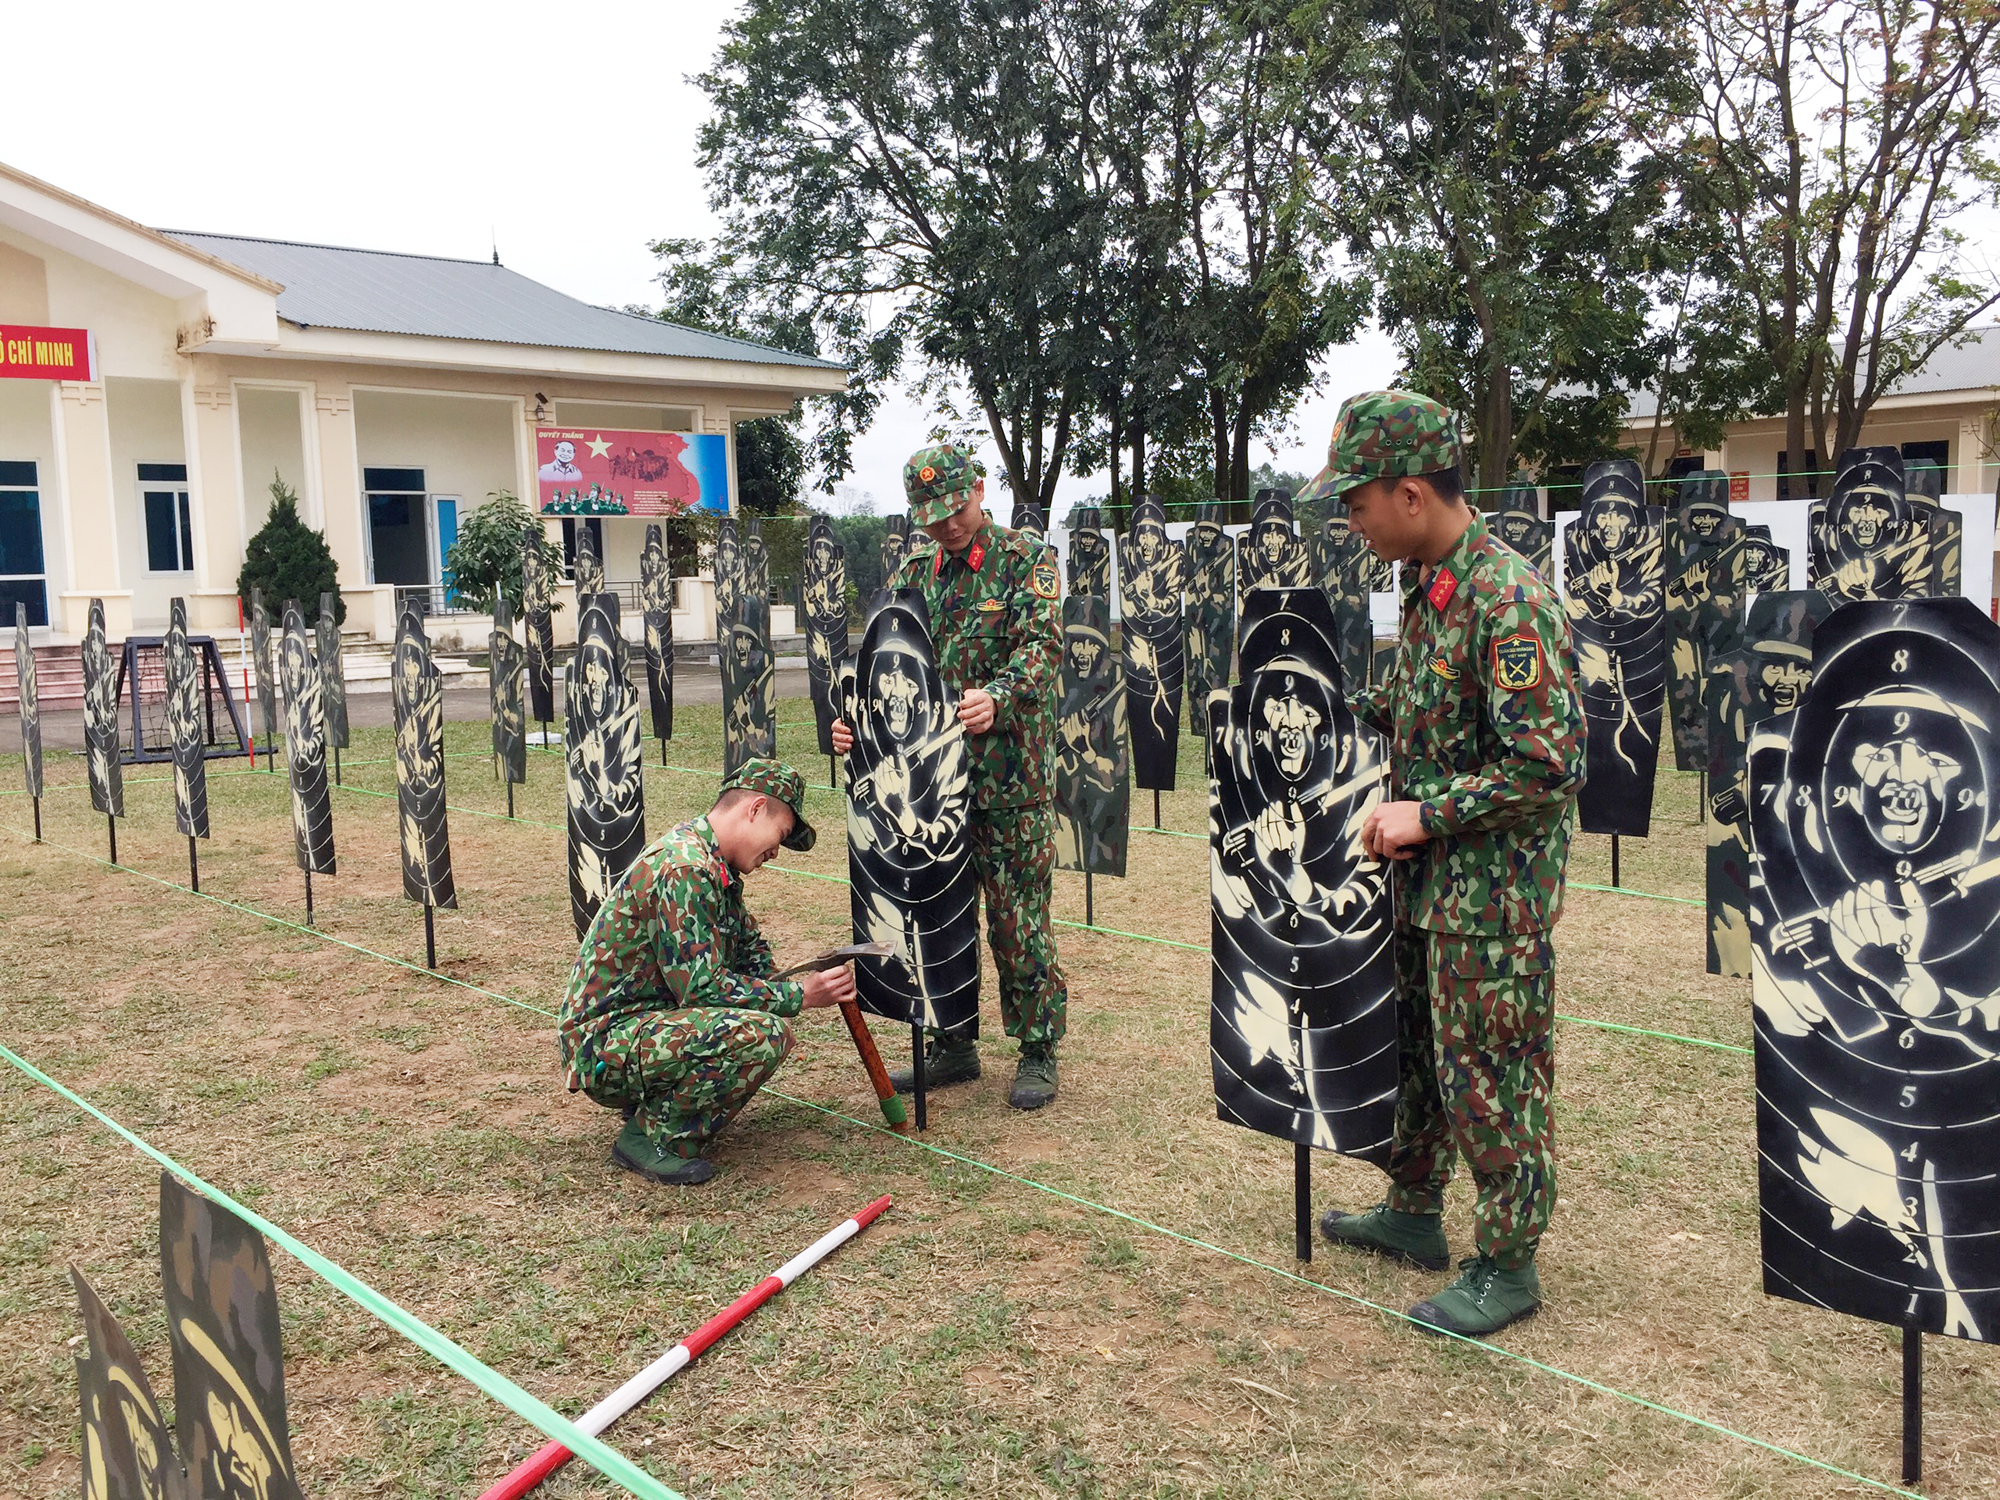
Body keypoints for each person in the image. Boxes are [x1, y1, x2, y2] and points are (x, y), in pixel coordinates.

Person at [1309, 390, 1586, 1337]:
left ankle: (1507, 1264)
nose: (1351, 520)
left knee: (1492, 1074)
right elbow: (1419, 718)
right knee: (1420, 1063)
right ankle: (1415, 1210)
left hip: (1490, 901)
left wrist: (1427, 812)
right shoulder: (1431, 591)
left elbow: (1546, 765)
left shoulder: (1508, 602)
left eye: (1358, 501)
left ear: (1414, 494)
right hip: (1426, 891)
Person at [830, 444, 1067, 1109]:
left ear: (980, 491)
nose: (947, 525)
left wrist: (999, 694)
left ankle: (1038, 1048)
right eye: (933, 517)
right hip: (930, 782)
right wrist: (856, 725)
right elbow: (886, 664)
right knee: (940, 911)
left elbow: (1043, 647)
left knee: (1018, 919)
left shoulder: (1026, 560)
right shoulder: (915, 574)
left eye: (956, 509)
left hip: (1009, 780)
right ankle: (953, 1043)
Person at [556, 759, 853, 1185]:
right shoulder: (686, 869)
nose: (775, 852)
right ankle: (651, 1138)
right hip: (603, 1043)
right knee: (762, 1035)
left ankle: (655, 1100)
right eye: (780, 835)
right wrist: (800, 996)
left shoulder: (714, 867)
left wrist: (796, 981)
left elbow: (750, 953)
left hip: (636, 1028)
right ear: (754, 809)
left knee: (762, 1023)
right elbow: (701, 989)